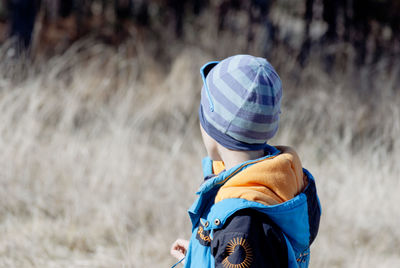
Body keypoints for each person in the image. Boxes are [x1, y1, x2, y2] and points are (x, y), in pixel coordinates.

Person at [170, 54, 321, 268]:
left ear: (214, 129)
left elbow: (246, 246)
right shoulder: (275, 182)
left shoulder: (242, 226)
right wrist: (201, 256)